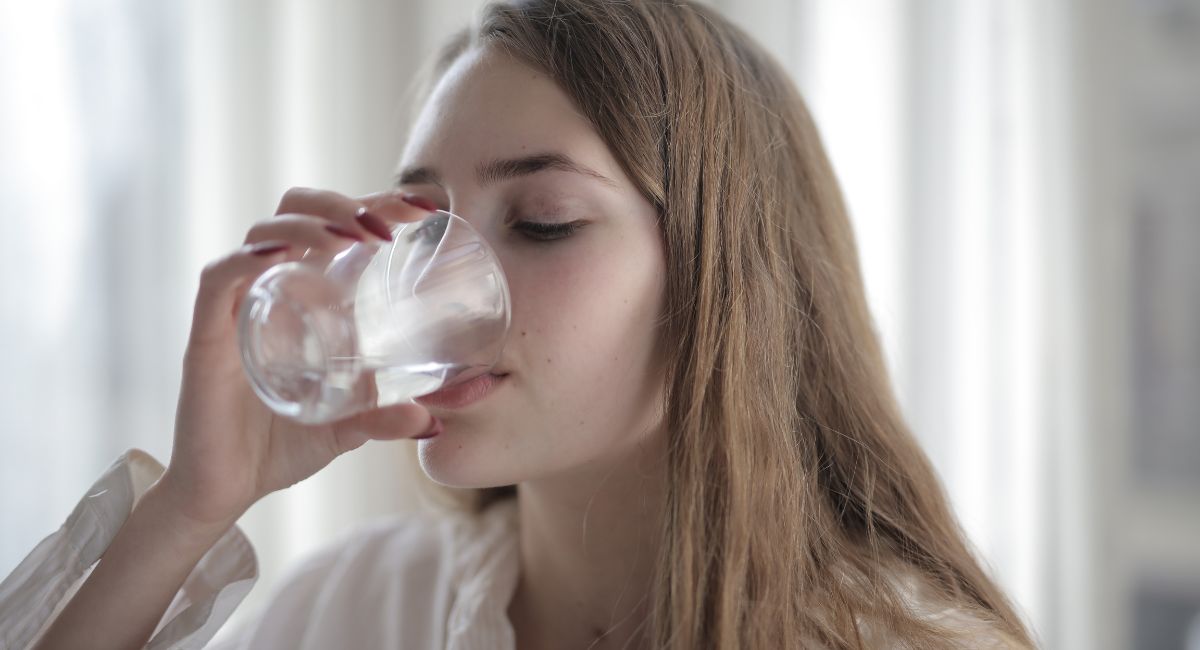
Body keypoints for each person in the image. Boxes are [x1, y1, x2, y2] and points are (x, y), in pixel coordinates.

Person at [1, 0, 1036, 648]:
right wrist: (189, 506)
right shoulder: (367, 606)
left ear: (726, 281)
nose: (440, 288)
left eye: (541, 222)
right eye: (424, 224)